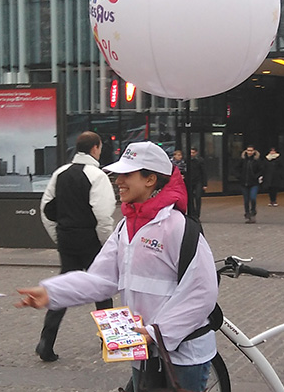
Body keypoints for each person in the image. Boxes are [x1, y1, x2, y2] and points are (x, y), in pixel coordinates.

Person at [16, 141, 218, 392]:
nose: (118, 180)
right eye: (118, 174)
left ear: (150, 179)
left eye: (127, 174)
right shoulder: (126, 227)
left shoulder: (178, 227)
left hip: (182, 355)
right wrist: (52, 293)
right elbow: (100, 279)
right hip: (142, 347)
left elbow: (202, 293)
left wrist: (156, 333)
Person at [35, 131, 117, 362]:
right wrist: (106, 244)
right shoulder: (97, 176)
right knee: (102, 290)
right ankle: (111, 339)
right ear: (95, 148)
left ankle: (46, 342)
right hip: (90, 241)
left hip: (67, 239)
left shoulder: (59, 173)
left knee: (62, 289)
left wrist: (58, 237)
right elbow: (103, 216)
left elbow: (47, 210)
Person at [235, 145, 264, 223]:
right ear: (246, 151)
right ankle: (247, 214)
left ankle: (253, 212)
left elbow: (261, 170)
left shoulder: (257, 160)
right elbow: (236, 168)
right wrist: (239, 176)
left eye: (251, 150)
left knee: (253, 197)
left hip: (254, 182)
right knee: (246, 200)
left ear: (254, 151)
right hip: (244, 182)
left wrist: (256, 176)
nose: (250, 152)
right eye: (248, 150)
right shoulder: (242, 160)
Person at [185, 148, 207, 221]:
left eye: (193, 153)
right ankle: (192, 213)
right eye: (190, 153)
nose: (192, 154)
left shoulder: (200, 160)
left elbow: (204, 172)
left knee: (198, 197)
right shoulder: (187, 160)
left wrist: (204, 184)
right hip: (190, 181)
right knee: (190, 197)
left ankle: (197, 214)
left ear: (196, 153)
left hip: (198, 180)